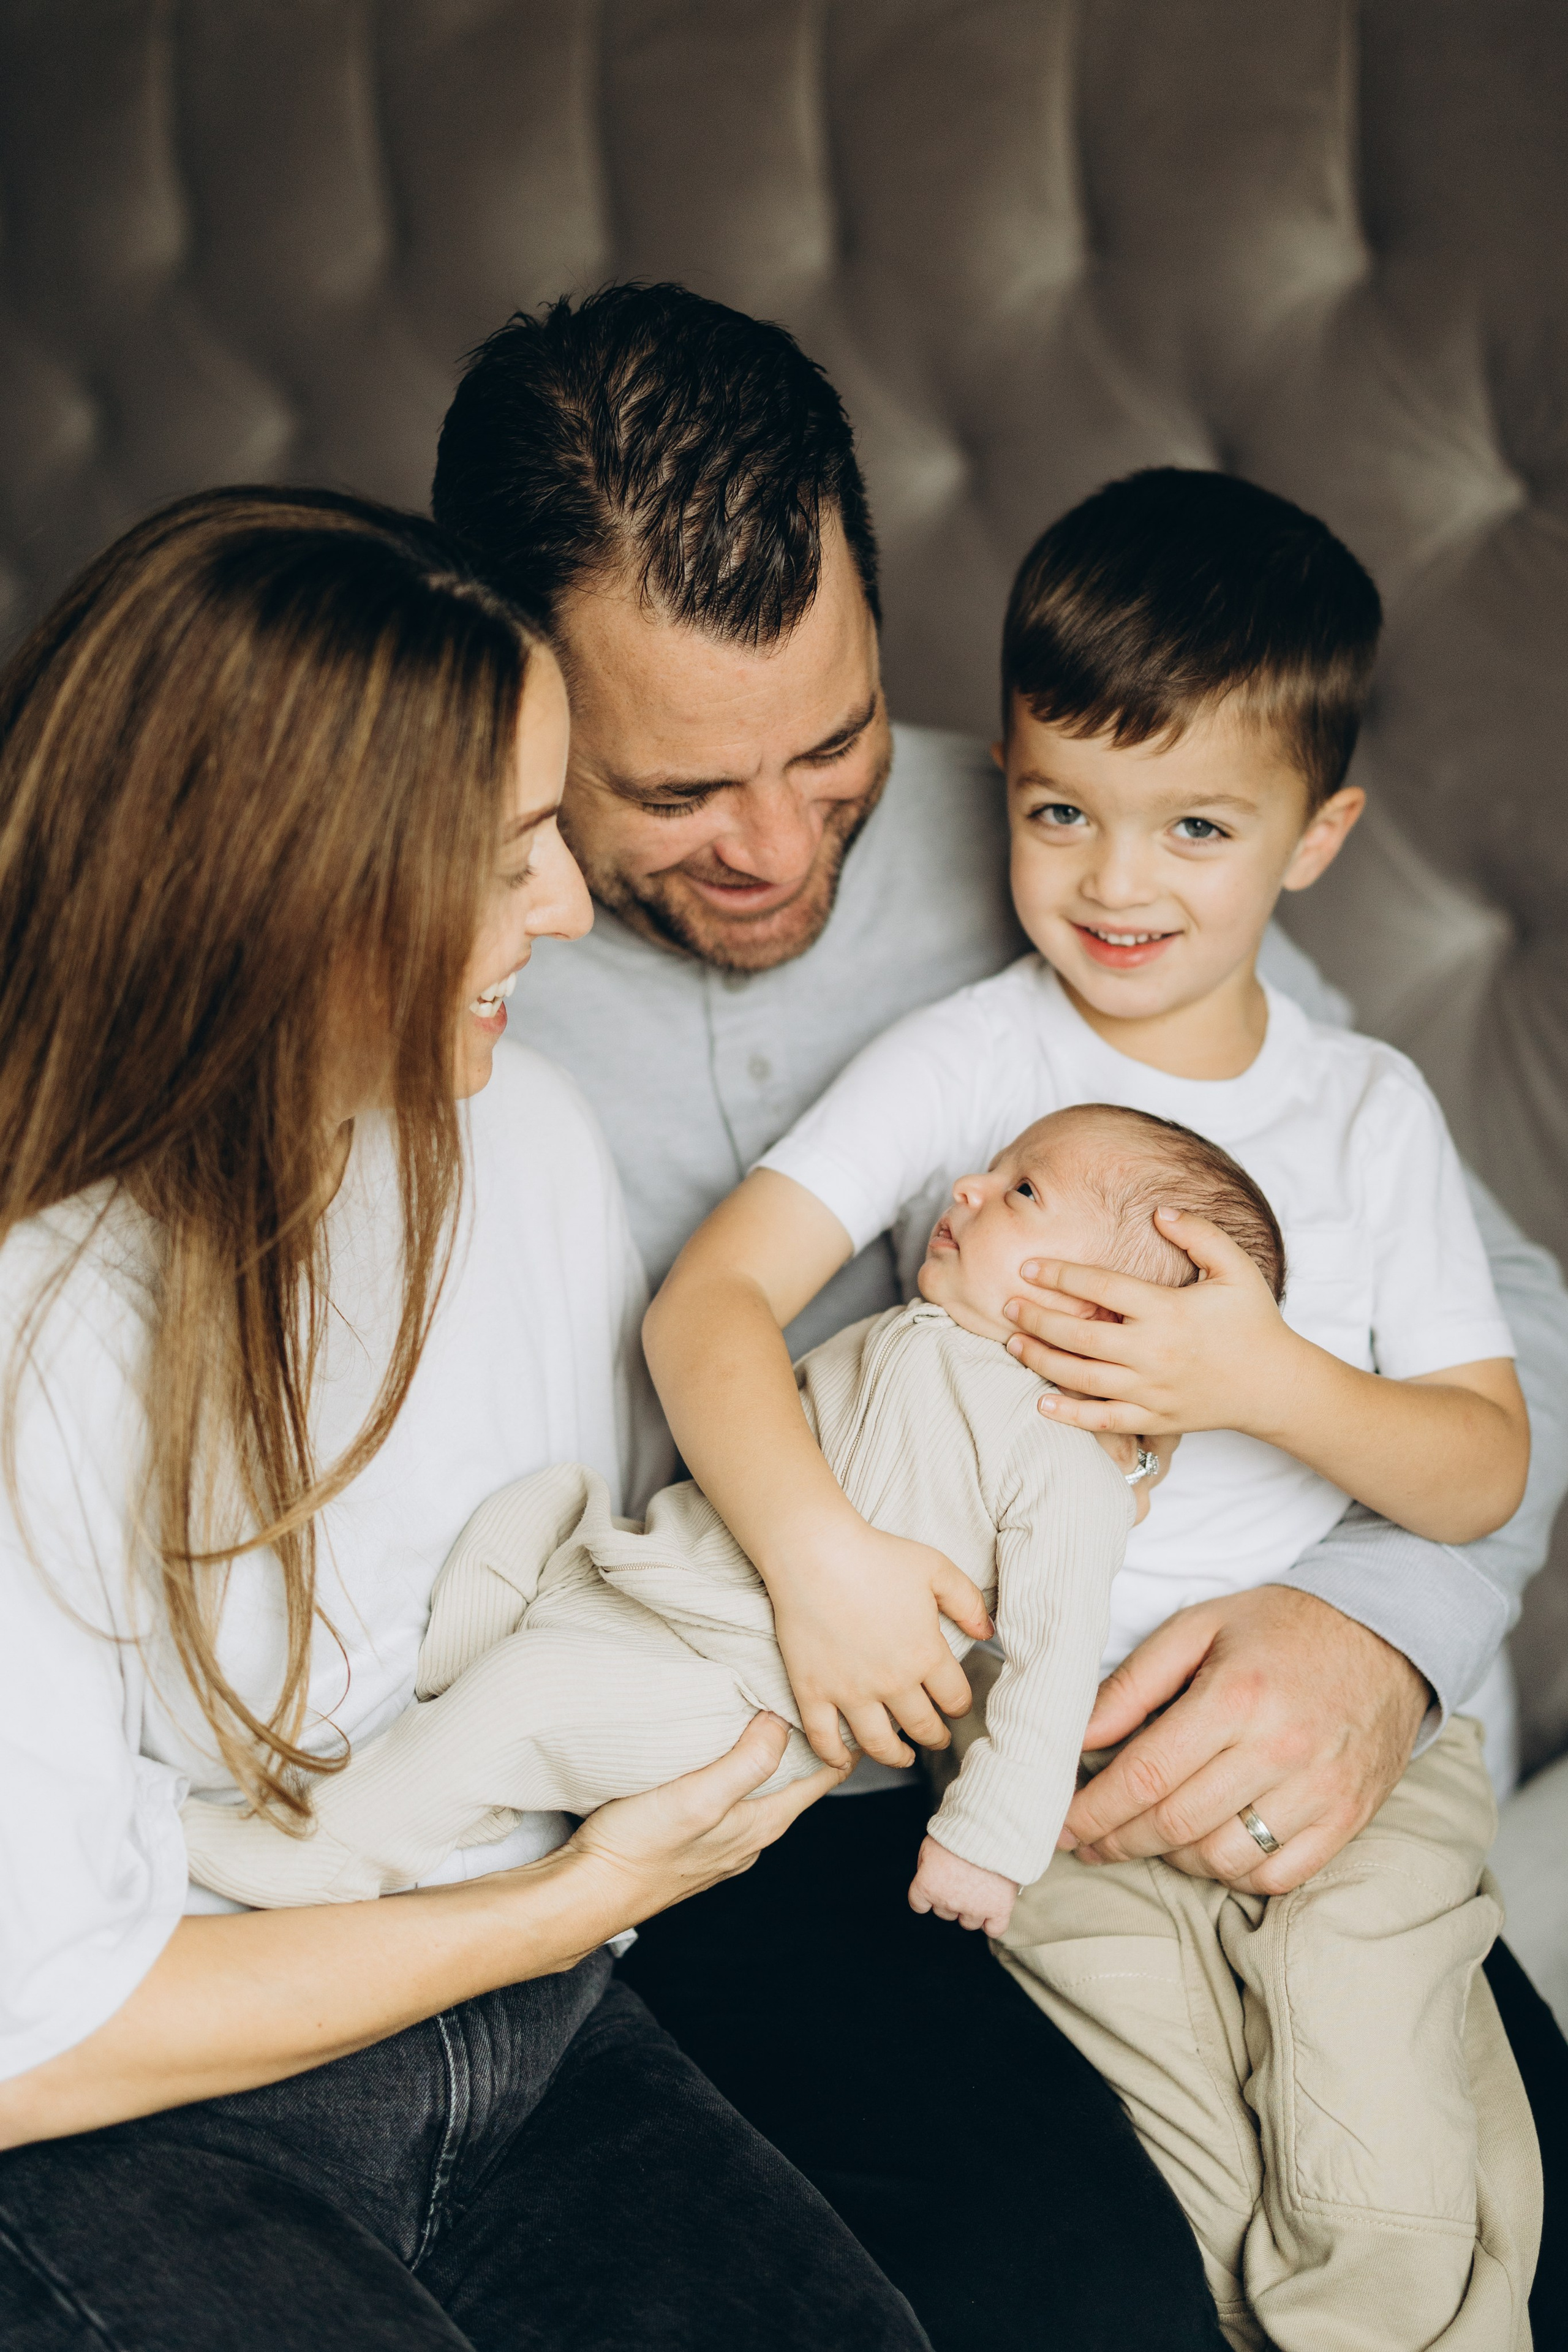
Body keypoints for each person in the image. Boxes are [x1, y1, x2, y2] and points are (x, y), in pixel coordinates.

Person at [430, 282, 1568, 2345]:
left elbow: (1492, 1312)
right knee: (1085, 2284)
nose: (777, 848)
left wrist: (1380, 1636)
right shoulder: (429, 956)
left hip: (1163, 1701)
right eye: (675, 792)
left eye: (833, 745)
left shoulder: (1096, 845)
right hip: (761, 1797)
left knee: (1524, 2208)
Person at [0, 486, 936, 2352]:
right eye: (508, 853)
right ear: (285, 889)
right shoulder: (44, 1317)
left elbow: (618, 1586)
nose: (568, 908)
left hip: (539, 2032)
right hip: (129, 2114)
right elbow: (32, 2039)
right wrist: (570, 1903)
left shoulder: (525, 1142)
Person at [178, 1105, 1288, 1928]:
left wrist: (988, 1843)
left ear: (1107, 1310)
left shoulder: (1065, 1464)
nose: (968, 1188)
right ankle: (461, 1771)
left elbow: (1053, 1664)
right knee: (535, 1506)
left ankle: (335, 1853)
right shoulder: (912, 1332)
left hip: (746, 1703)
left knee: (528, 1696)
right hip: (647, 1582)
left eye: (1023, 1193)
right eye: (992, 1170)